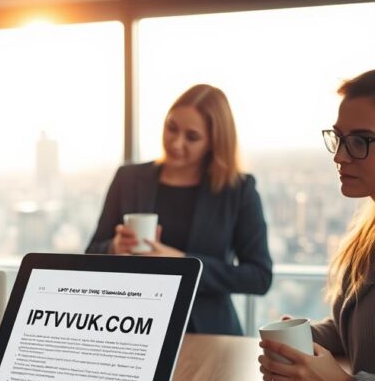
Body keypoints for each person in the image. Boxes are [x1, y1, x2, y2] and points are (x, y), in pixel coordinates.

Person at [86, 84, 273, 335]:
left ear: (214, 142)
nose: (175, 142)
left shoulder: (238, 190)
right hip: (133, 329)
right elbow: (90, 254)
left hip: (208, 334)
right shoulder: (128, 178)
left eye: (192, 137)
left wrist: (184, 263)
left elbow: (259, 277)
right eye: (171, 128)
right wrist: (115, 247)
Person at [258, 70, 375, 381]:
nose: (339, 156)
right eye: (338, 138)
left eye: (360, 140)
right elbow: (358, 332)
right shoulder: (366, 233)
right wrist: (304, 336)